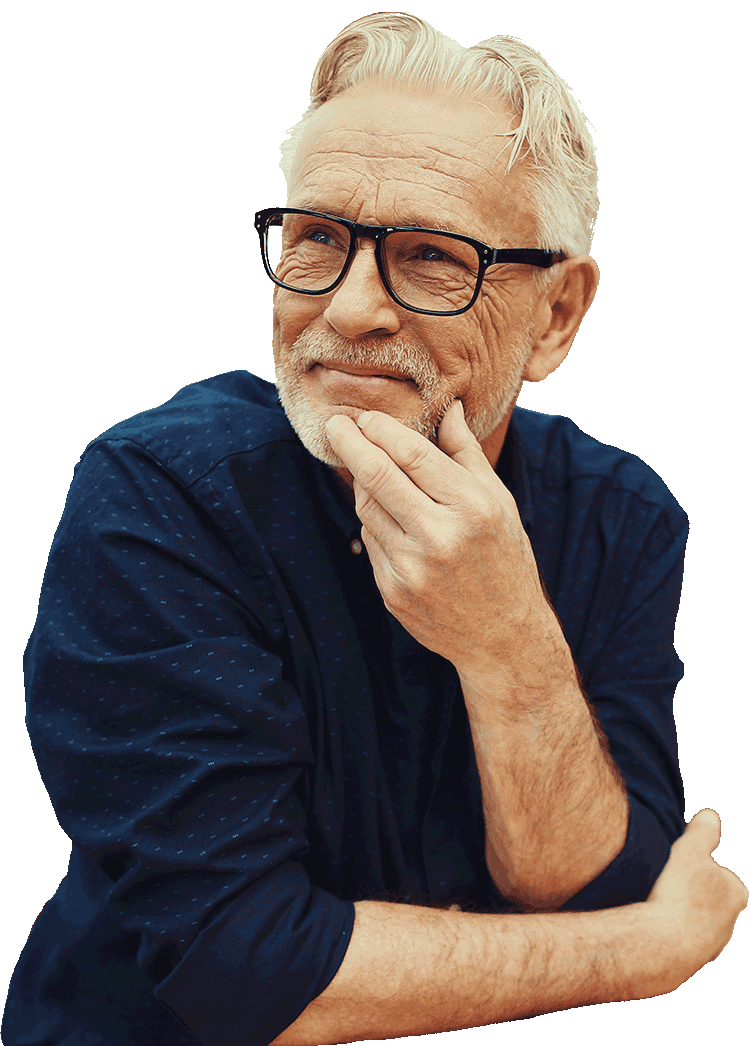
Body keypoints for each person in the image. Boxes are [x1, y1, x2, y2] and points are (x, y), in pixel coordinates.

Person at [3, 12, 747, 1046]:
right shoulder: (159, 498)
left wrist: (509, 639)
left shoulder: (620, 516)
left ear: (558, 315)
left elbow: (587, 878)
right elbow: (249, 965)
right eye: (318, 236)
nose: (349, 309)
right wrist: (646, 951)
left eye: (432, 256)